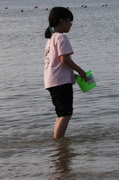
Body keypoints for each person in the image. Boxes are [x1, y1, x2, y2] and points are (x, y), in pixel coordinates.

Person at [44, 7, 87, 139]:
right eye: (70, 21)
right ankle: (59, 143)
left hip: (52, 81)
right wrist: (80, 71)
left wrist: (71, 75)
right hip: (60, 83)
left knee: (61, 114)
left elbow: (55, 63)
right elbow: (64, 59)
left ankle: (58, 141)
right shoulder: (61, 38)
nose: (71, 24)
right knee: (66, 114)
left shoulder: (50, 39)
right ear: (62, 21)